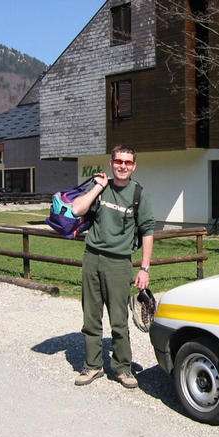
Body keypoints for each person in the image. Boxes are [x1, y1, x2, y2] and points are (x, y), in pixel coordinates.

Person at [72, 145, 154, 389]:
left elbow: (148, 231)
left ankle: (123, 368)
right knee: (91, 317)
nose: (123, 166)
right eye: (119, 161)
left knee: (119, 320)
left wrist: (144, 269)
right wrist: (98, 187)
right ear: (111, 163)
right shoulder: (101, 188)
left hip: (119, 263)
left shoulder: (138, 194)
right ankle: (93, 366)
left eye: (128, 162)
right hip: (92, 258)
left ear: (134, 166)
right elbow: (77, 209)